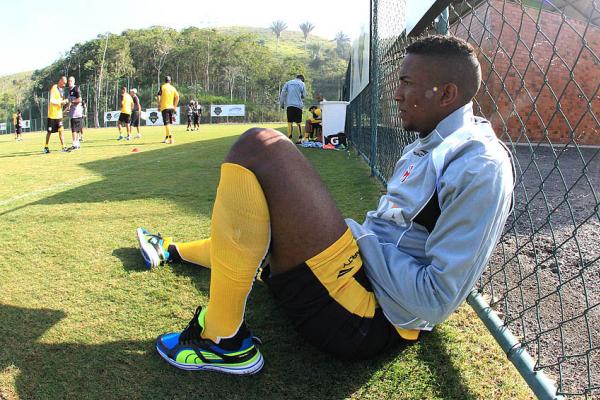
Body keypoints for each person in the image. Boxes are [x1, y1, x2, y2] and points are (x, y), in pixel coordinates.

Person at [136, 35, 514, 375]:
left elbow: (435, 302)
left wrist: (357, 237)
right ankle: (170, 250)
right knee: (258, 220)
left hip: (372, 317)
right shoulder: (427, 143)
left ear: (446, 94)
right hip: (359, 276)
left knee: (259, 146)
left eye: (407, 83)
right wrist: (356, 240)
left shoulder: (479, 165)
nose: (396, 94)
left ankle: (222, 341)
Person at [43, 76, 69, 153]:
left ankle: (63, 147)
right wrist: (61, 102)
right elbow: (52, 101)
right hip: (52, 115)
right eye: (64, 83)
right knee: (49, 131)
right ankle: (46, 147)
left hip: (59, 115)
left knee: (61, 130)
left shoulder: (62, 90)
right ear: (60, 81)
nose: (64, 85)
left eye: (65, 83)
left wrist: (64, 102)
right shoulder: (54, 88)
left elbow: (60, 103)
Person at [280, 74, 306, 144]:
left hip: (290, 105)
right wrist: (299, 95)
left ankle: (289, 139)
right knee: (298, 122)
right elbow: (304, 95)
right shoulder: (302, 83)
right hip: (298, 106)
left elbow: (283, 93)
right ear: (302, 79)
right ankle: (300, 138)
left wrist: (282, 103)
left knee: (290, 122)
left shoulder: (288, 82)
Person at [157, 75, 179, 144]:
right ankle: (166, 139)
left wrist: (159, 104)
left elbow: (158, 95)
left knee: (167, 124)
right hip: (171, 108)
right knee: (168, 124)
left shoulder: (162, 87)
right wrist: (175, 106)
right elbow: (177, 97)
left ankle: (171, 138)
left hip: (165, 107)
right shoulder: (173, 88)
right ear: (170, 81)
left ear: (165, 81)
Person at [67, 76, 84, 150]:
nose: (69, 82)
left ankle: (74, 144)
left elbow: (79, 99)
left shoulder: (76, 88)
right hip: (73, 112)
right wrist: (68, 107)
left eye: (71, 81)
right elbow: (69, 101)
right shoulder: (70, 90)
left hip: (76, 112)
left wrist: (72, 102)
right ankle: (77, 144)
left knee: (74, 129)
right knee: (76, 129)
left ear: (74, 81)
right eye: (69, 81)